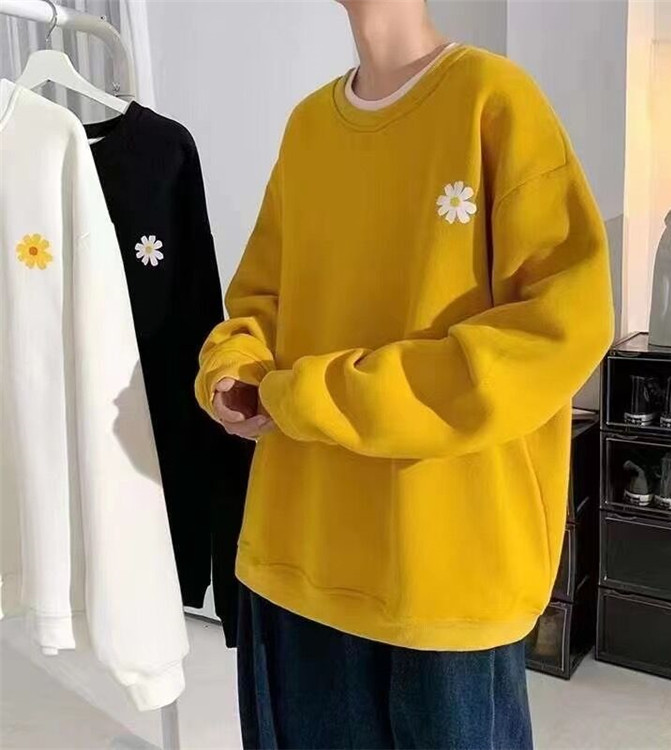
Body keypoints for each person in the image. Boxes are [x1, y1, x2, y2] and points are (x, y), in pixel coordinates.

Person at [194, 0, 614, 747]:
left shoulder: (493, 99)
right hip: (297, 553)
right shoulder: (308, 128)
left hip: (442, 571)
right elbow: (259, 303)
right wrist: (234, 366)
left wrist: (313, 395)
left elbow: (559, 327)